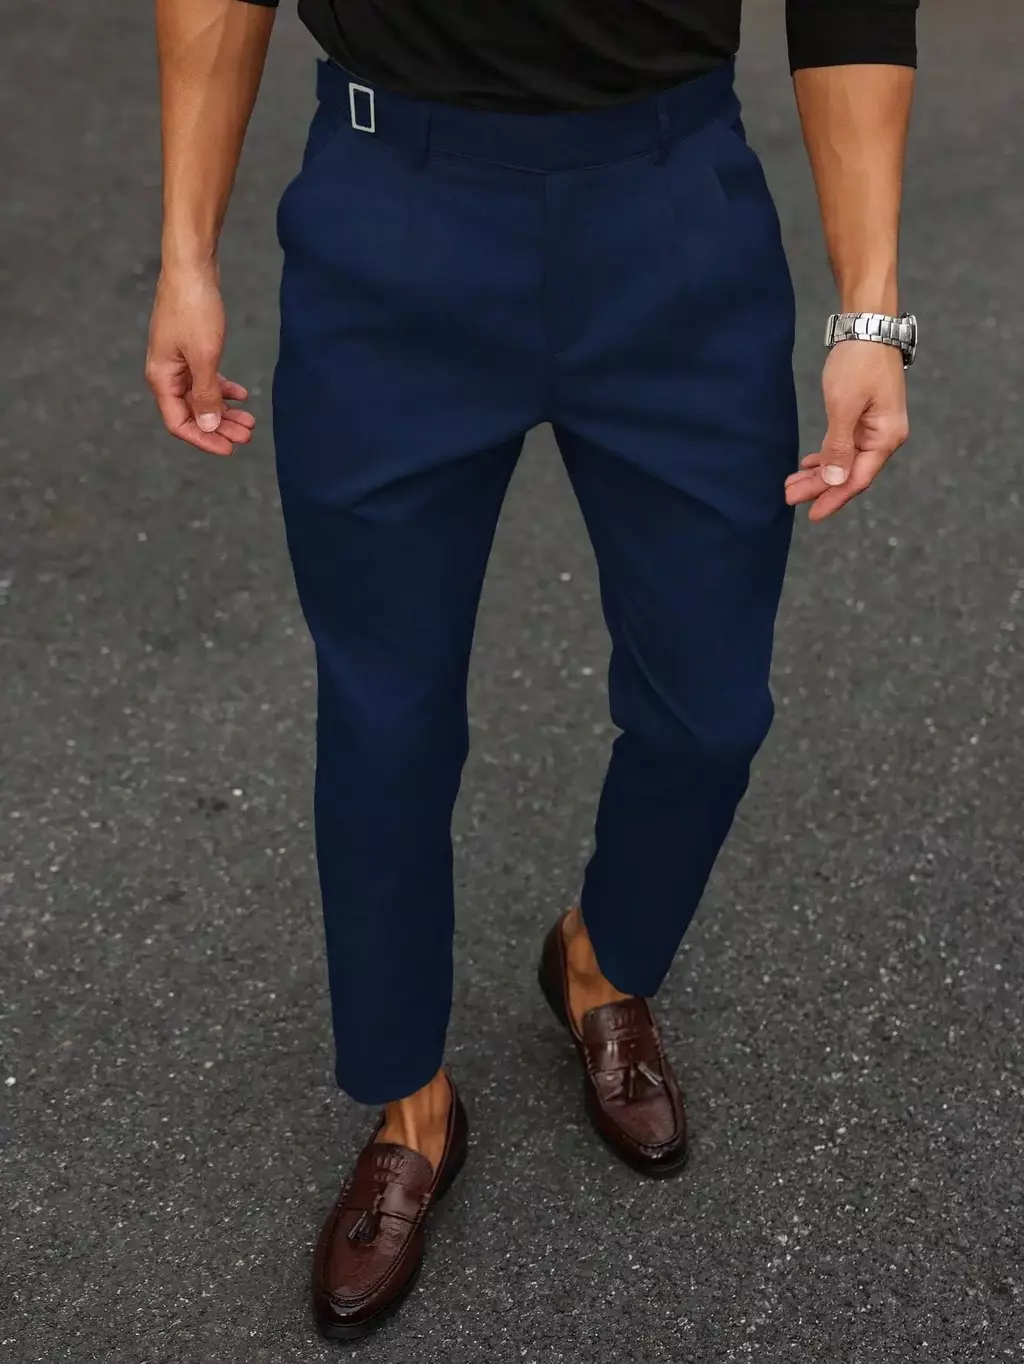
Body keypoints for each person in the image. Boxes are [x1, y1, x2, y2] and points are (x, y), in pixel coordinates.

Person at [146, 0, 919, 1340]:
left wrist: (872, 309)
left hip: (670, 215)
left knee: (710, 710)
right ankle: (410, 1103)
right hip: (393, 217)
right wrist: (184, 252)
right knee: (385, 723)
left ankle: (599, 960)